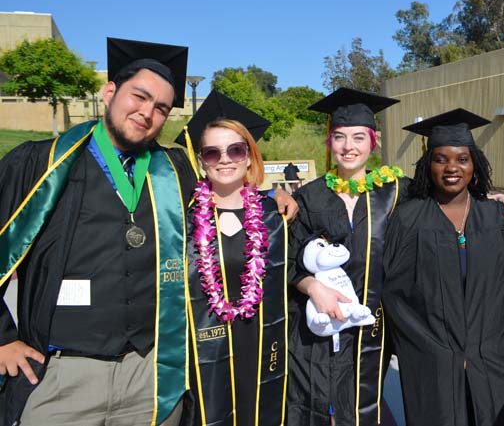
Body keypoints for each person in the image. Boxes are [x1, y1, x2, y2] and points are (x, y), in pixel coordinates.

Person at [0, 38, 297, 426]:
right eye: (139, 97)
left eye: (160, 108)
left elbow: (225, 181)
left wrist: (271, 192)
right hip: (64, 375)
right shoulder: (41, 163)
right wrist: (3, 337)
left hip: (151, 376)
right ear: (109, 92)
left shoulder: (173, 169)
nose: (146, 113)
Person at [287, 90, 504, 426]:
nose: (348, 146)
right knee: (321, 403)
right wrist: (277, 195)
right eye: (339, 137)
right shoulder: (308, 196)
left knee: (367, 403)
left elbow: (449, 189)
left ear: (374, 141)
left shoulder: (396, 190)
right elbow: (289, 254)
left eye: (358, 137)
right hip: (323, 322)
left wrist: (493, 198)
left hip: (379, 327)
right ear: (329, 142)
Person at [381, 109, 504, 426]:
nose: (451, 168)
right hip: (433, 362)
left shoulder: (498, 219)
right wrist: (442, 351)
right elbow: (396, 297)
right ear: (427, 166)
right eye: (440, 159)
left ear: (475, 166)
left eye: (462, 159)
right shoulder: (408, 220)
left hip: (492, 358)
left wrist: (482, 346)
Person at [180, 91, 288, 426]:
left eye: (236, 149)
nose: (225, 159)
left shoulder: (276, 213)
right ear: (201, 161)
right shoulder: (183, 216)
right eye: (213, 152)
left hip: (261, 343)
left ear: (249, 156)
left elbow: (296, 270)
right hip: (204, 347)